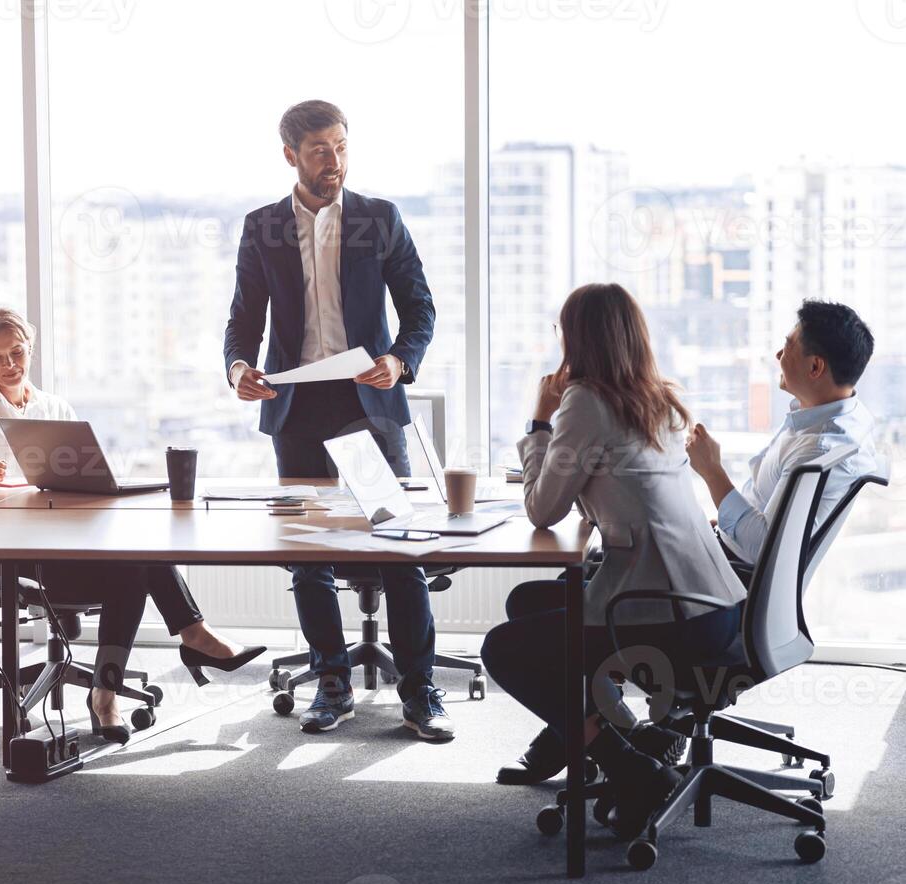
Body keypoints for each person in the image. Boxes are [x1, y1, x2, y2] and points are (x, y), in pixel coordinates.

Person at [0, 309, 265, 743]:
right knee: (137, 567)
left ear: (30, 348)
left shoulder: (54, 407)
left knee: (137, 561)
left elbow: (80, 474)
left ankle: (107, 690)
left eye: (17, 353)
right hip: (3, 557)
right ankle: (183, 641)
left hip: (62, 544)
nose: (9, 366)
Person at [480, 283, 748, 840]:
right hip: (718, 605)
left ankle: (628, 765)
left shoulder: (584, 403)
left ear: (576, 339)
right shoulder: (665, 399)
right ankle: (576, 733)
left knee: (504, 650)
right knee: (528, 603)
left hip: (665, 617)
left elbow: (541, 510)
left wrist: (537, 423)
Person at [223, 100, 449, 739]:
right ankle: (330, 681)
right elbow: (242, 319)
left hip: (368, 407)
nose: (335, 160)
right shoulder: (264, 226)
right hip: (295, 407)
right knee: (308, 556)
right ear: (291, 154)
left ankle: (420, 690)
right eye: (320, 149)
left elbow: (420, 307)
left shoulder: (379, 219)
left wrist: (400, 360)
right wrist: (239, 368)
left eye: (342, 146)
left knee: (399, 550)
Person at [686, 299, 882, 565]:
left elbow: (763, 547)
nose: (778, 355)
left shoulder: (819, 448)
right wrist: (728, 521)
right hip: (728, 550)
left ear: (815, 367)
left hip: (730, 575)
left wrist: (712, 471)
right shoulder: (841, 416)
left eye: (788, 347)